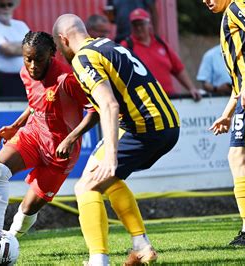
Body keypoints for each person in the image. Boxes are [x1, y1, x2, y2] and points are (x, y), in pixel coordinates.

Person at [53, 14, 180, 265]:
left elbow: (109, 105)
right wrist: (73, 136)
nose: (60, 53)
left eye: (59, 48)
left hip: (144, 127)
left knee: (86, 187)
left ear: (63, 39)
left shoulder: (83, 59)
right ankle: (142, 246)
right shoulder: (108, 46)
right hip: (166, 124)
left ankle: (98, 260)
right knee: (104, 179)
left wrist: (111, 155)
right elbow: (102, 105)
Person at [0, 31, 98, 241]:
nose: (33, 66)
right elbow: (35, 102)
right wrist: (16, 126)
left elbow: (95, 110)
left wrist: (70, 138)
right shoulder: (25, 73)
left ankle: (10, 240)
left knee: (28, 208)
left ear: (51, 55)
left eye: (39, 60)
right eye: (28, 59)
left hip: (60, 152)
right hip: (34, 135)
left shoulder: (66, 80)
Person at [205, 0, 245, 246]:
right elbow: (242, 76)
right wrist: (227, 112)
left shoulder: (237, 6)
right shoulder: (230, 14)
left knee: (237, 157)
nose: (205, 1)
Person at [121, 8, 201, 100]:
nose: (138, 28)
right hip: (144, 102)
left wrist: (191, 88)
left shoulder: (161, 43)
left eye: (141, 24)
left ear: (149, 24)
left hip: (169, 98)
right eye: (135, 25)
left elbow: (178, 69)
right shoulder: (126, 47)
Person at [0, 0, 29, 97]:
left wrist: (12, 44)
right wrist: (24, 45)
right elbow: (8, 50)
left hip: (27, 79)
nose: (6, 8)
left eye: (9, 4)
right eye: (2, 5)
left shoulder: (21, 25)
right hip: (5, 80)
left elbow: (34, 46)